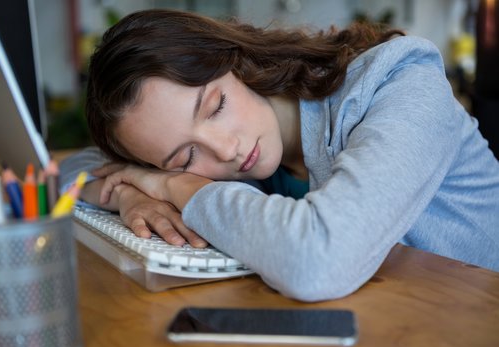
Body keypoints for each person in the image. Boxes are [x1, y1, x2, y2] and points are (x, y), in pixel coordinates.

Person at [61, 9, 499, 302]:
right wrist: (129, 196)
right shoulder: (247, 152)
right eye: (185, 155)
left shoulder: (401, 79)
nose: (226, 149)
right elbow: (66, 169)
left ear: (238, 59)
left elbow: (319, 261)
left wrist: (176, 183)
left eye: (216, 106)